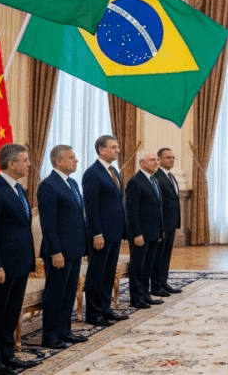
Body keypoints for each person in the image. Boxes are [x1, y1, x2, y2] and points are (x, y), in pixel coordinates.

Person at [0, 143, 40, 374]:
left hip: (19, 263)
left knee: (11, 313)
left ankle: (7, 355)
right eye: (25, 160)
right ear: (11, 164)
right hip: (1, 266)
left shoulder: (19, 189)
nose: (29, 164)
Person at [37, 145, 90, 349]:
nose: (75, 161)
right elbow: (48, 223)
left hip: (74, 248)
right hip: (58, 251)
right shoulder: (49, 185)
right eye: (71, 158)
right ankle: (50, 336)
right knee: (55, 293)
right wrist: (55, 251)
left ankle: (65, 331)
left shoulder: (73, 183)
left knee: (69, 292)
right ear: (58, 161)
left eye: (75, 157)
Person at [82, 135, 129, 326]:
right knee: (97, 273)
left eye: (117, 147)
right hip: (101, 234)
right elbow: (91, 206)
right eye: (113, 147)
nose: (117, 150)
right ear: (101, 150)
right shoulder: (93, 173)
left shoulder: (113, 171)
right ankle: (94, 314)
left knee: (109, 272)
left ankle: (106, 308)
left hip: (115, 232)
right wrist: (97, 233)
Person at [125, 150, 165, 309]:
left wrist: (160, 230)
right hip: (140, 234)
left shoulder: (154, 180)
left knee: (148, 266)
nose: (156, 163)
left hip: (154, 232)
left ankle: (146, 295)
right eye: (151, 160)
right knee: (138, 267)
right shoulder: (136, 181)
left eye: (156, 160)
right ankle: (136, 298)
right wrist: (136, 233)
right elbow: (132, 211)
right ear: (142, 163)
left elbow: (157, 208)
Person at [151, 148, 182, 296]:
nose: (171, 160)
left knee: (166, 255)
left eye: (173, 157)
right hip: (162, 224)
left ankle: (164, 282)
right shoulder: (156, 176)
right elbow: (158, 203)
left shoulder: (170, 176)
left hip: (171, 223)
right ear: (159, 160)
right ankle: (156, 286)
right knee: (158, 256)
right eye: (168, 157)